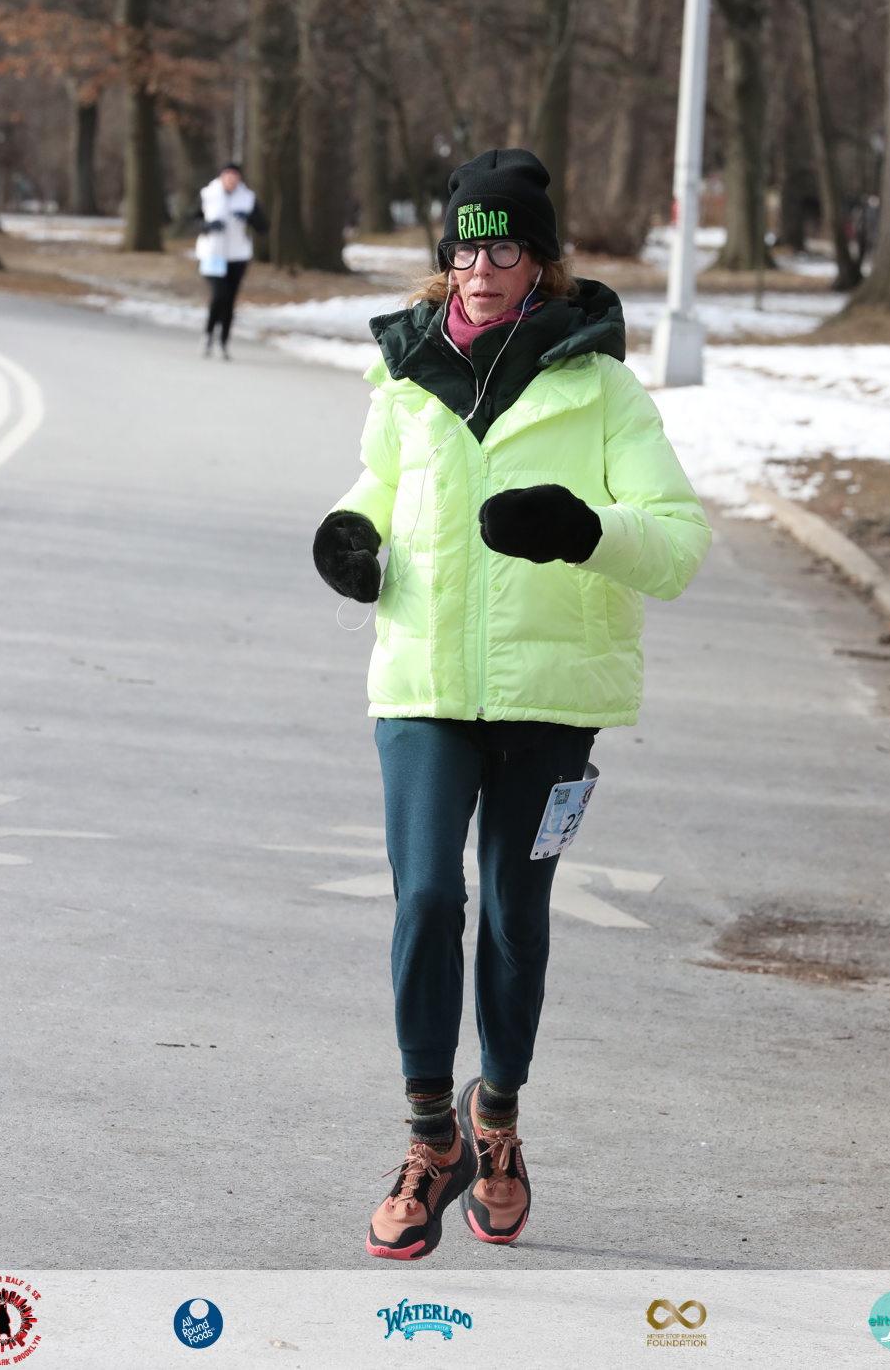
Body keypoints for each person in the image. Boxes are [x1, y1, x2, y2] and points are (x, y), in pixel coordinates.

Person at [312, 147, 712, 1260]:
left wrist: (584, 531)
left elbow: (677, 543)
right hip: (423, 682)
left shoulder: (599, 385)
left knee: (514, 911)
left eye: (505, 251)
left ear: (541, 260)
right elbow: (380, 487)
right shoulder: (408, 371)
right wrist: (351, 538)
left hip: (553, 693)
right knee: (423, 897)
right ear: (446, 259)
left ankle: (497, 1124)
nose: (481, 271)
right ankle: (428, 1138)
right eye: (465, 251)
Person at [197, 163, 267, 359]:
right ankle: (208, 334)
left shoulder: (248, 198)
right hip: (212, 255)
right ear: (221, 177)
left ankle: (223, 341)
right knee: (220, 295)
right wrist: (206, 226)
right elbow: (190, 219)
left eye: (235, 176)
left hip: (238, 256)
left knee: (229, 301)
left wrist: (249, 217)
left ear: (239, 179)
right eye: (228, 176)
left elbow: (263, 226)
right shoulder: (208, 195)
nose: (231, 180)